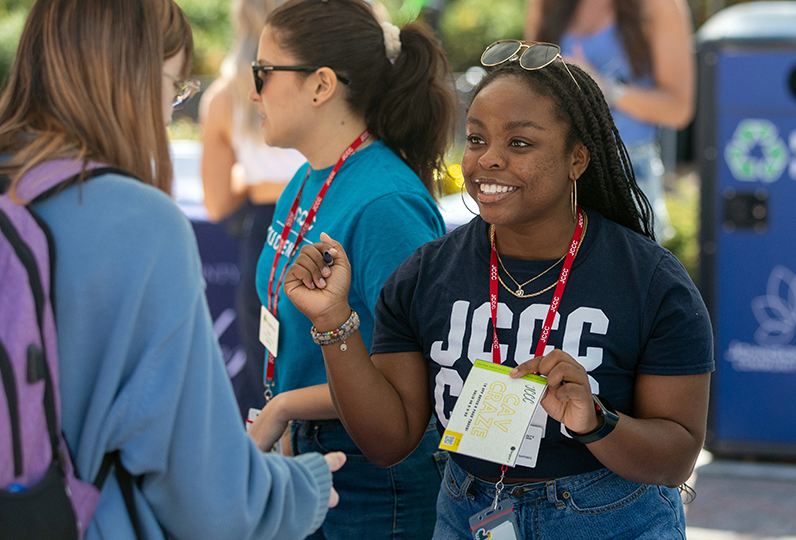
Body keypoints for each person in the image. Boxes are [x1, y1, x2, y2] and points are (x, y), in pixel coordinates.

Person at [0, 0, 344, 538]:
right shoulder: (137, 223)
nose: (168, 111)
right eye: (173, 88)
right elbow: (213, 500)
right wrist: (301, 487)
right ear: (135, 81)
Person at [283, 42, 714, 539]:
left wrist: (596, 420)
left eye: (520, 144)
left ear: (577, 158)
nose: (488, 160)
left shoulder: (651, 283)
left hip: (608, 520)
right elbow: (389, 442)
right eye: (475, 139)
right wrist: (333, 320)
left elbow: (677, 456)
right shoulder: (426, 275)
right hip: (469, 514)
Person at [246, 0, 456, 537]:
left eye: (263, 73)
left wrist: (284, 408)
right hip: (314, 454)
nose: (253, 92)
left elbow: (412, 377)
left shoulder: (386, 202)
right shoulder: (306, 180)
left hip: (373, 478)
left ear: (320, 85)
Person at [199, 0, 306, 420]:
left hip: (269, 236)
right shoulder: (330, 78)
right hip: (334, 221)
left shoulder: (226, 94)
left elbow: (217, 201)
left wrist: (254, 178)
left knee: (268, 396)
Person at [525, 0, 696, 242]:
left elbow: (678, 109)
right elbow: (530, 86)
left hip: (626, 170)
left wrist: (605, 89)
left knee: (625, 276)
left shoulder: (660, 5)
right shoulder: (543, 3)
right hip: (556, 170)